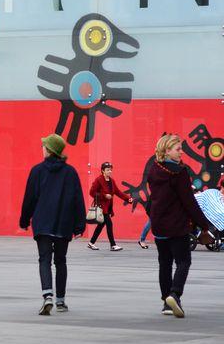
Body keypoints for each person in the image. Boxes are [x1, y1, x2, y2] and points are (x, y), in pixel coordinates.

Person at [148, 133, 217, 318]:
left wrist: (152, 216)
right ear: (167, 150)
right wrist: (204, 225)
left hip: (159, 224)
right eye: (178, 149)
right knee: (184, 261)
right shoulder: (179, 172)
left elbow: (151, 199)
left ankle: (167, 303)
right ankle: (175, 294)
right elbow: (189, 202)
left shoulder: (154, 170)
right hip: (177, 225)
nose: (181, 153)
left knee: (164, 263)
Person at [19, 134, 86, 316]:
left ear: (48, 150)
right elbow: (77, 200)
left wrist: (24, 220)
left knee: (44, 259)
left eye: (44, 146)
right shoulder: (70, 172)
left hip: (43, 222)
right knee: (61, 261)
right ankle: (61, 301)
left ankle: (47, 295)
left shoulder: (37, 171)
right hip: (64, 223)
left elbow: (30, 198)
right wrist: (79, 225)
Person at [87, 161, 132, 251]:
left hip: (108, 207)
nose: (110, 171)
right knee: (109, 224)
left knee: (101, 225)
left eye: (110, 170)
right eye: (107, 170)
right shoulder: (98, 180)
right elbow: (92, 192)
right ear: (103, 171)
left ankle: (91, 242)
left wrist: (128, 199)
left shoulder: (111, 181)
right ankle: (113, 245)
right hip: (102, 207)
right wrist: (104, 195)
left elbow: (118, 192)